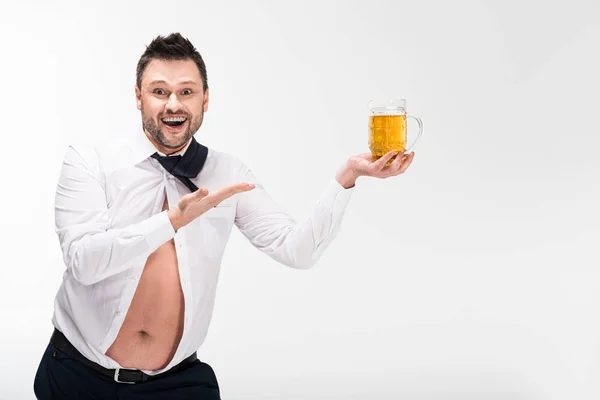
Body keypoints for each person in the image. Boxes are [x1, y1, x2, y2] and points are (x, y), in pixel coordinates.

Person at [33, 32, 416, 400]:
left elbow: (296, 250)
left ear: (205, 99)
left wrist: (346, 178)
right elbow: (83, 262)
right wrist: (172, 221)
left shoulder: (227, 174)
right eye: (159, 91)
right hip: (76, 373)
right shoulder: (90, 161)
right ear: (138, 97)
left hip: (176, 383)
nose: (173, 104)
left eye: (187, 92)